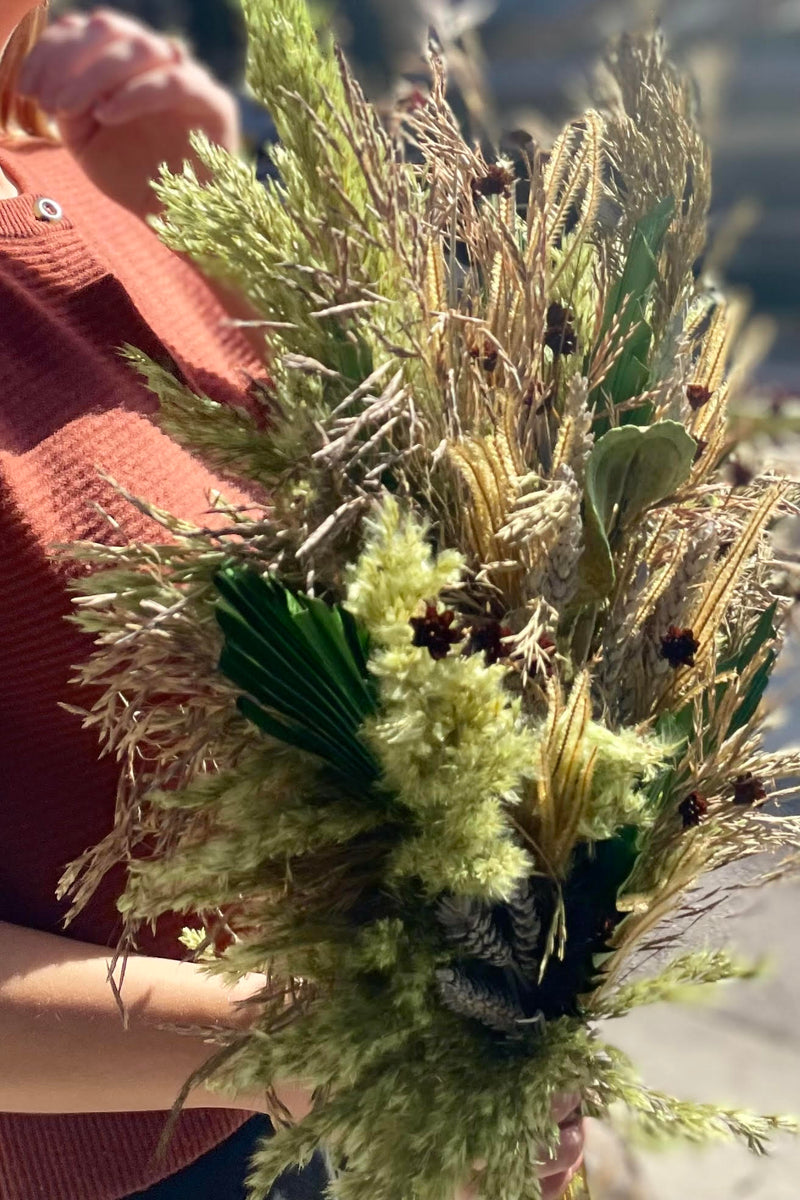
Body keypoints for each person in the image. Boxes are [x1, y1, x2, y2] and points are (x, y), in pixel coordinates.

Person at [0, 6, 586, 1199]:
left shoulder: (73, 145)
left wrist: (213, 224)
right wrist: (337, 1049)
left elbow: (369, 526)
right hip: (138, 1156)